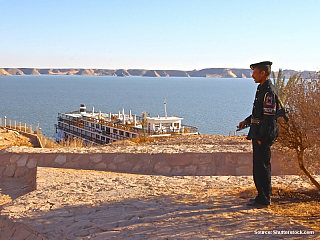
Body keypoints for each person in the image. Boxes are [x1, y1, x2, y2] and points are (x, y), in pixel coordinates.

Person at [238, 61, 279, 207]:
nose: (252, 75)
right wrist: (246, 121)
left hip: (263, 135)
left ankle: (264, 199)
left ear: (263, 73)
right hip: (258, 132)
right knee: (258, 166)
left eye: (255, 72)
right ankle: (260, 195)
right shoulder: (261, 88)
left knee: (263, 167)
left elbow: (268, 117)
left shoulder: (268, 91)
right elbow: (258, 113)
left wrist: (261, 138)